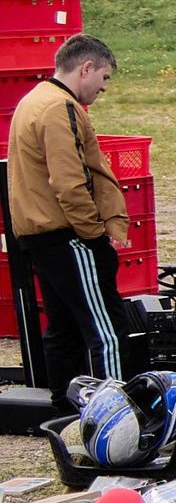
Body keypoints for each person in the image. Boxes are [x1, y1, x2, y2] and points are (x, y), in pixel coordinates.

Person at [7, 34, 130, 402]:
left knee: (63, 328)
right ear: (86, 68)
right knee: (106, 328)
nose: (103, 88)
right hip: (66, 234)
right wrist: (93, 235)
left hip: (38, 233)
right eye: (104, 78)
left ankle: (63, 407)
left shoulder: (33, 100)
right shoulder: (60, 107)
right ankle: (119, 412)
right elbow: (68, 181)